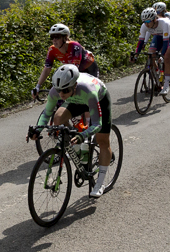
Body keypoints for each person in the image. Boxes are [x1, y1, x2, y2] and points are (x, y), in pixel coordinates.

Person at [27, 65, 114, 198]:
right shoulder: (59, 92)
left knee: (102, 140)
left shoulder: (89, 92)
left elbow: (97, 124)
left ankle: (100, 183)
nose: (61, 94)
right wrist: (37, 130)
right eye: (59, 90)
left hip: (98, 99)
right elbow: (46, 114)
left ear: (74, 85)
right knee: (57, 118)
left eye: (65, 90)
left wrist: (83, 135)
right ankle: (78, 148)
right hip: (75, 99)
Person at [35, 23, 100, 100]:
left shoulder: (75, 46)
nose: (54, 40)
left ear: (65, 38)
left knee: (89, 93)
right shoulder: (52, 50)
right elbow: (47, 68)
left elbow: (75, 68)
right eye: (52, 37)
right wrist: (38, 86)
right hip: (74, 69)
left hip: (90, 69)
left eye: (57, 37)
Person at [139, 7, 170, 96]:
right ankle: (157, 74)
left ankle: (166, 85)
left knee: (167, 57)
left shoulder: (164, 23)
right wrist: (135, 54)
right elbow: (140, 41)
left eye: (148, 21)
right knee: (150, 54)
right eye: (144, 22)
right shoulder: (145, 25)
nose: (146, 24)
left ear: (154, 19)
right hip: (158, 35)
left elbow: (166, 42)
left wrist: (162, 55)